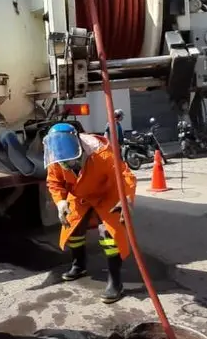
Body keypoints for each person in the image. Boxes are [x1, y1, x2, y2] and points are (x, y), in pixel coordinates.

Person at [44, 122, 138, 304]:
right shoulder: (57, 157)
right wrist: (61, 201)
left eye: (68, 161)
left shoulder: (101, 154)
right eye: (61, 162)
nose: (64, 164)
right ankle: (79, 265)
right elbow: (54, 182)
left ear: (78, 146)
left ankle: (115, 281)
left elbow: (126, 176)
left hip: (107, 195)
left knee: (109, 235)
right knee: (72, 228)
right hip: (80, 196)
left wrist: (125, 200)